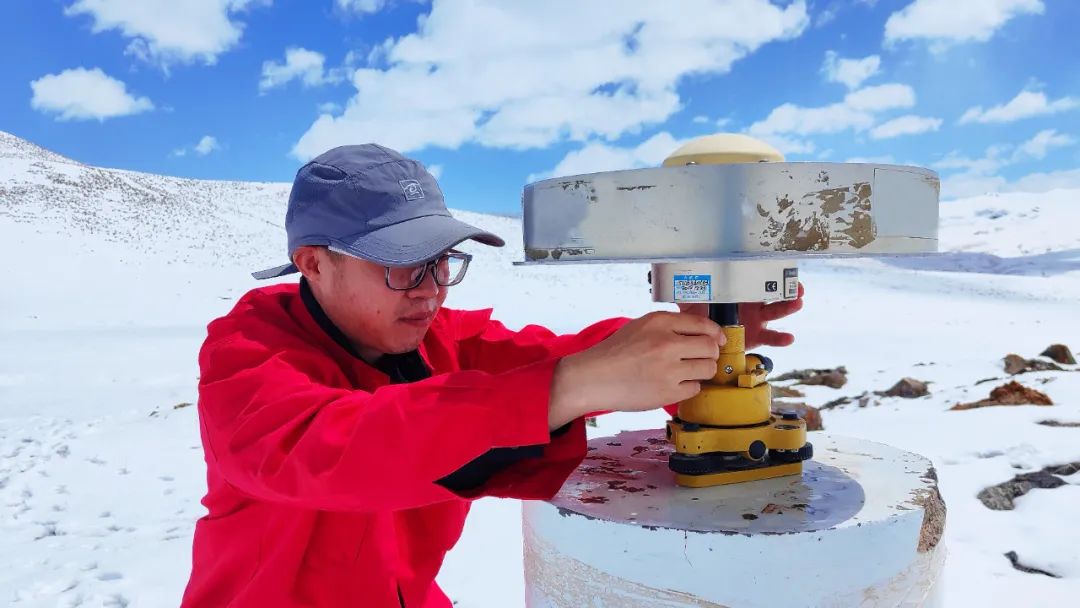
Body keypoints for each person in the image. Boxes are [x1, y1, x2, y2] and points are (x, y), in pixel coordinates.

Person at [180, 144, 803, 607]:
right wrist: (574, 386)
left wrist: (698, 330)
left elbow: (560, 358)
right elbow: (329, 448)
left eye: (442, 264)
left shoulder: (437, 340)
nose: (430, 293)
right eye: (402, 267)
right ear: (313, 263)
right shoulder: (248, 360)